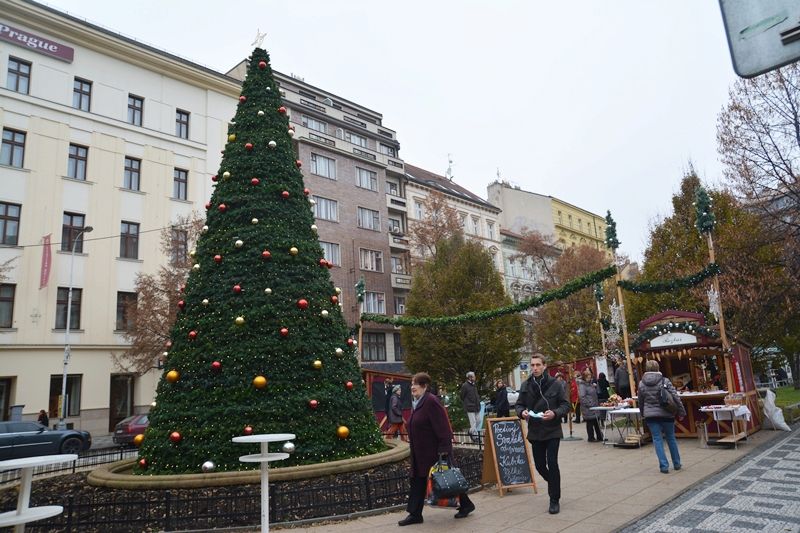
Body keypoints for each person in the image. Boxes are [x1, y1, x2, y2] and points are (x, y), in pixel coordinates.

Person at [400, 372, 475, 526]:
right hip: (419, 453)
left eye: (416, 384)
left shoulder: (431, 401)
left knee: (445, 479)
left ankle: (466, 505)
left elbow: (444, 428)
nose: (412, 387)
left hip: (433, 453)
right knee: (418, 481)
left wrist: (444, 451)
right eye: (412, 384)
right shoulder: (418, 402)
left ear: (424, 386)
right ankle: (415, 514)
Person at [515, 353, 570, 515]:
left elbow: (565, 405)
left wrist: (554, 413)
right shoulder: (526, 385)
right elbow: (519, 405)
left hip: (552, 429)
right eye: (532, 365)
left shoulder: (555, 384)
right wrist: (522, 412)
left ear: (545, 366)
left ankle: (554, 499)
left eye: (538, 365)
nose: (535, 368)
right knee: (540, 465)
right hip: (535, 431)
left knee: (552, 463)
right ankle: (554, 482)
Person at [638, 359, 686, 474]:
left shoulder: (641, 383)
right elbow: (675, 397)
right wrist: (681, 412)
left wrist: (642, 413)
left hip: (651, 415)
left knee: (657, 440)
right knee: (671, 438)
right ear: (658, 368)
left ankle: (664, 466)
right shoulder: (665, 381)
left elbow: (641, 401)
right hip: (667, 414)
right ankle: (677, 463)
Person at [578, 369, 602, 442]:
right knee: (590, 423)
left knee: (597, 422)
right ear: (584, 377)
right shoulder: (582, 386)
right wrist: (589, 404)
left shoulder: (590, 384)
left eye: (590, 377)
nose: (590, 378)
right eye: (588, 377)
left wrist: (596, 386)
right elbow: (582, 397)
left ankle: (600, 436)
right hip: (588, 407)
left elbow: (597, 392)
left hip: (594, 406)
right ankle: (591, 437)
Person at [459, 371, 480, 439]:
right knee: (473, 422)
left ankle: (470, 431)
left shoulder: (474, 384)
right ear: (470, 377)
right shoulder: (465, 385)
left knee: (478, 421)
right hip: (470, 407)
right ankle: (475, 437)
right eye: (474, 376)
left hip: (476, 406)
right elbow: (462, 396)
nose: (475, 377)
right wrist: (467, 403)